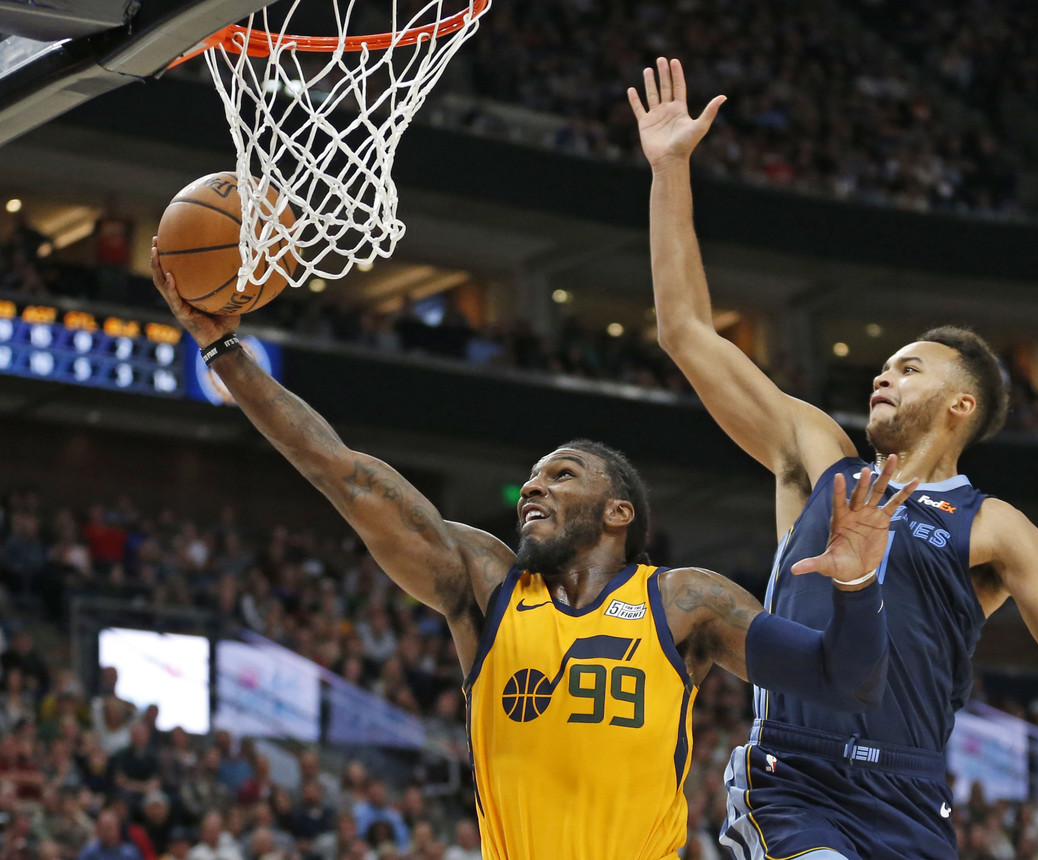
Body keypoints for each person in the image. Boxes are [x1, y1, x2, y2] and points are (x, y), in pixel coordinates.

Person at [628, 57, 1038, 860]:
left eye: (910, 367)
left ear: (960, 407)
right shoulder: (818, 460)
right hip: (795, 776)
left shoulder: (998, 530)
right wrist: (670, 172)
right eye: (885, 363)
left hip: (911, 795)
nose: (883, 372)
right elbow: (687, 333)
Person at [149, 246, 917, 860]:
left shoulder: (684, 602)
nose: (534, 487)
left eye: (562, 474)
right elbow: (344, 475)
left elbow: (844, 682)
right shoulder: (486, 584)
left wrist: (857, 589)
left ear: (619, 511)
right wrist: (225, 350)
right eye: (532, 477)